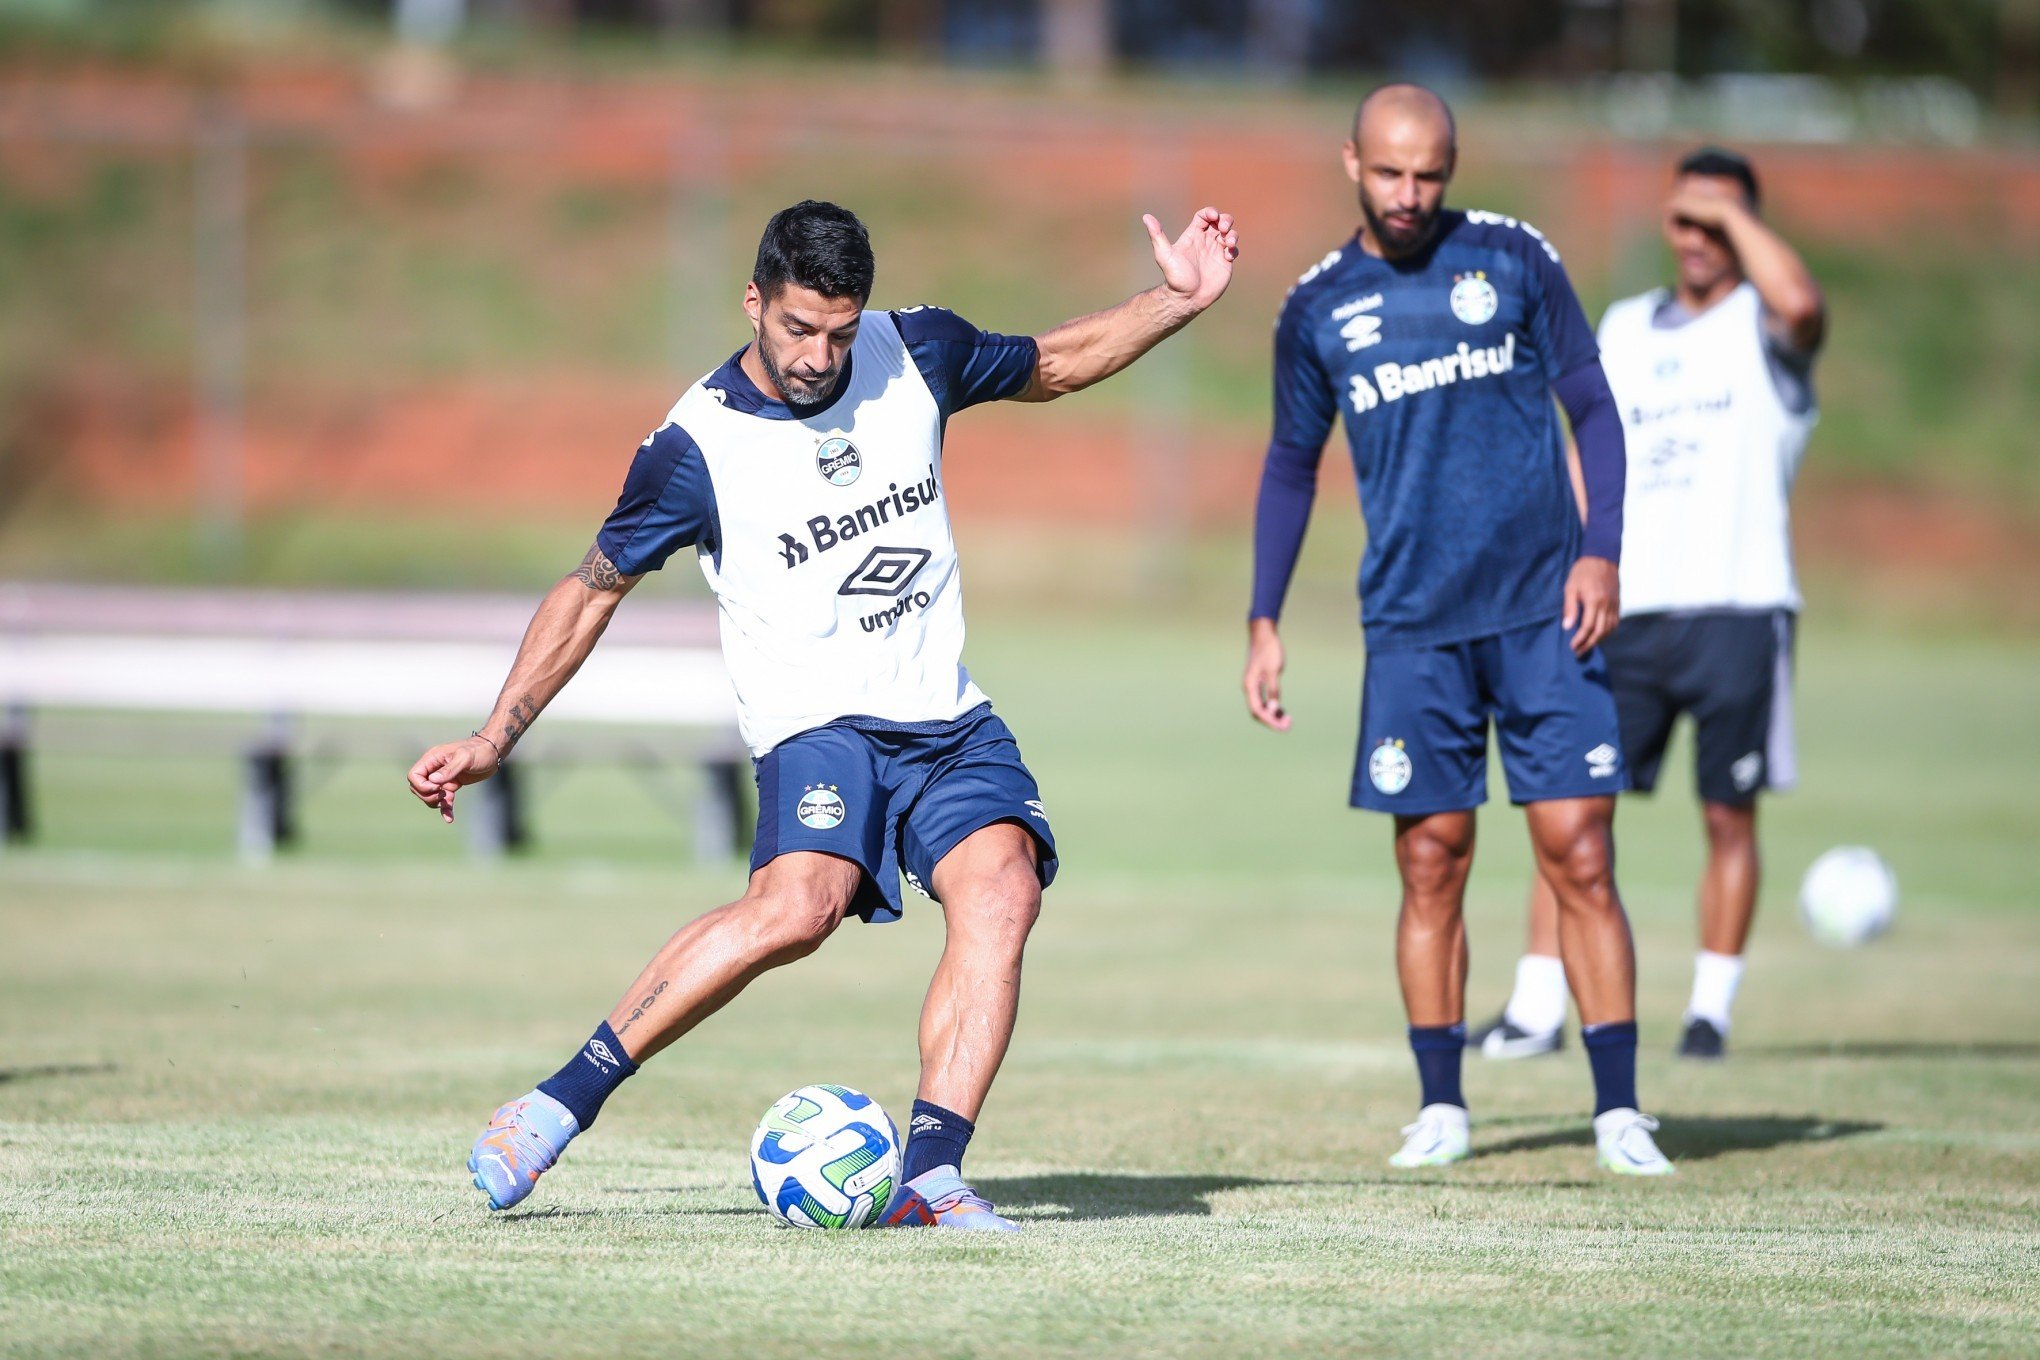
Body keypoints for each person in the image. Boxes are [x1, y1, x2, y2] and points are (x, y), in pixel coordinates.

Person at [410, 199, 1238, 1230]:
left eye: (840, 331)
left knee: (1004, 891)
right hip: (819, 726)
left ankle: (933, 1176)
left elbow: (1054, 361)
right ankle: (552, 1105)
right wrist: (497, 736)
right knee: (799, 907)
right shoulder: (694, 445)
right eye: (799, 328)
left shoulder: (914, 351)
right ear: (754, 303)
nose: (820, 354)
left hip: (947, 718)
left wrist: (1179, 298)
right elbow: (591, 585)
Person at [1241, 85, 1672, 1175]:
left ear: (1453, 163)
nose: (1410, 194)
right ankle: (1442, 1104)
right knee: (1433, 861)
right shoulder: (1317, 308)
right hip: (1413, 628)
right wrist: (1264, 617)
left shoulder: (1514, 258)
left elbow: (1594, 406)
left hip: (1543, 609)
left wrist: (1602, 546)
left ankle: (1619, 1107)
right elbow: (1293, 466)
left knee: (1581, 850)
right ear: (1352, 162)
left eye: (1430, 173)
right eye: (1389, 172)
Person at [1470, 147, 1824, 1063]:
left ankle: (1709, 1009)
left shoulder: (1763, 322)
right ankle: (1537, 1008)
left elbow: (1802, 306)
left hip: (1739, 607)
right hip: (1623, 606)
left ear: (1748, 226)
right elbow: (1586, 444)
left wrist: (1730, 212)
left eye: (1720, 221)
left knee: (1726, 815)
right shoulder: (1626, 325)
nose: (1699, 237)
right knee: (1569, 806)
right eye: (1685, 219)